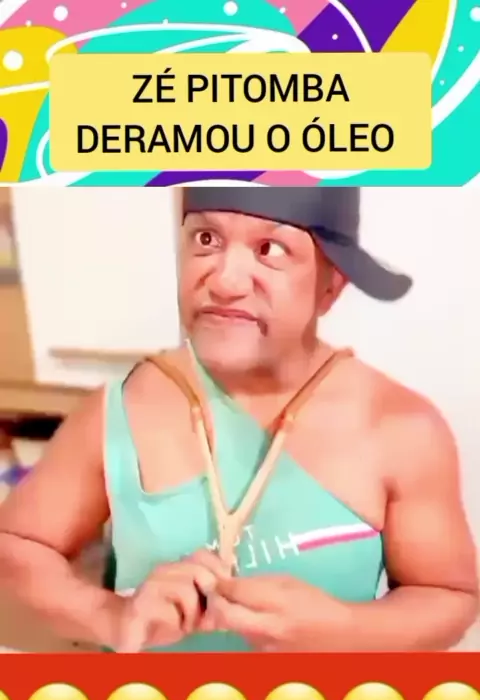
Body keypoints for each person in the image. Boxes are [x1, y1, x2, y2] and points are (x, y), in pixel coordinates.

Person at [0, 187, 477, 653]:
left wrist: (345, 631)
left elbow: (450, 597)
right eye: (206, 239)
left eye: (271, 249)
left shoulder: (402, 428)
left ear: (331, 286)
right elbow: (17, 544)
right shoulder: (119, 408)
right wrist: (110, 616)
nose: (225, 282)